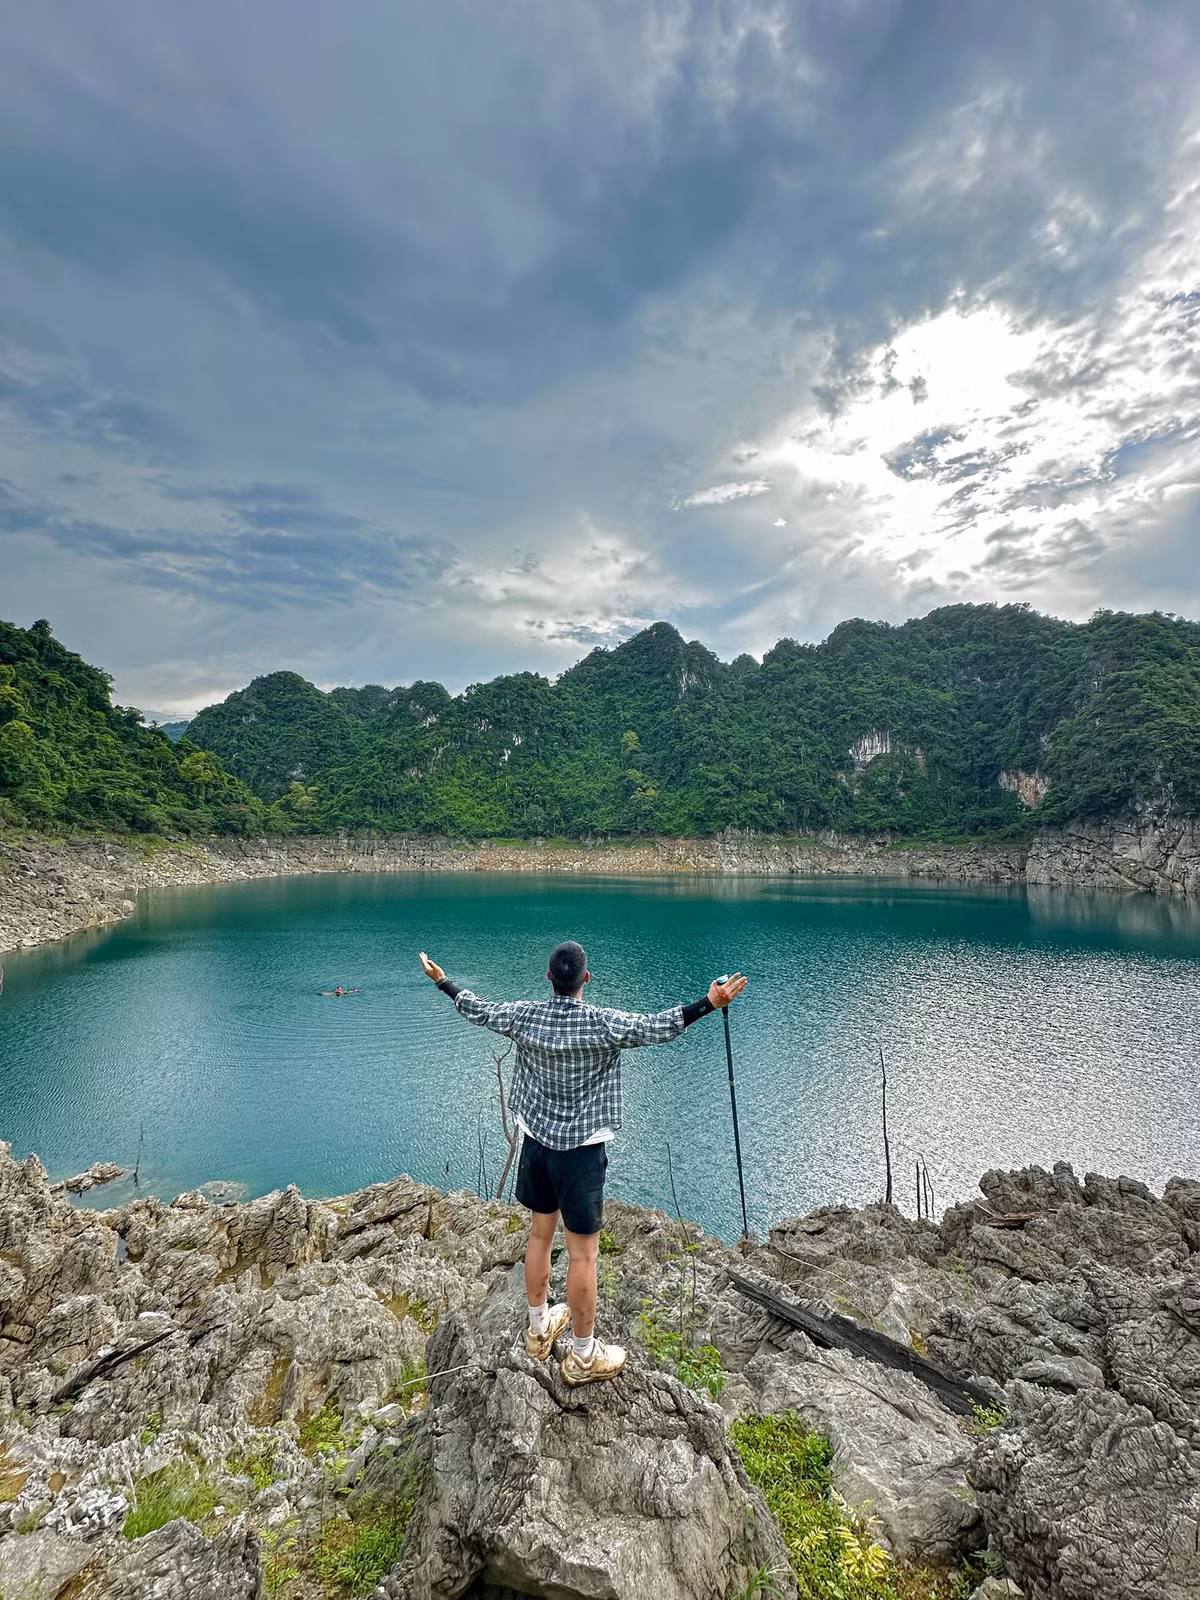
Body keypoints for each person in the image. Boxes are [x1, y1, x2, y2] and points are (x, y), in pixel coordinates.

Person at [418, 941, 747, 1386]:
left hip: (536, 1146)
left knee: (539, 1233)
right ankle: (583, 1356)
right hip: (582, 1156)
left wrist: (443, 981)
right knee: (583, 1256)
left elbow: (477, 1009)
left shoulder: (525, 1016)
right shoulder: (604, 1024)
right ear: (585, 980)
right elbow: (659, 1027)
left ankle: (537, 1331)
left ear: (549, 978)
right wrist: (710, 1002)